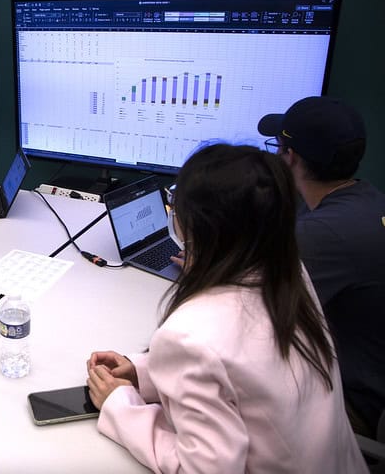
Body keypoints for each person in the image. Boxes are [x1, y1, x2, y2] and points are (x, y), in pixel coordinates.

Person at [86, 145, 366, 473]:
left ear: (197, 227)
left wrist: (121, 406)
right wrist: (145, 372)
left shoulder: (189, 335)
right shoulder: (287, 271)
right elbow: (247, 372)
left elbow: (204, 469)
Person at [258, 96, 385, 438]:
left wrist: (208, 265)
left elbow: (250, 315)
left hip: (352, 403)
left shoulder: (321, 234)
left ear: (291, 157)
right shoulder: (368, 200)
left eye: (278, 146)